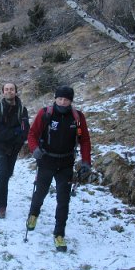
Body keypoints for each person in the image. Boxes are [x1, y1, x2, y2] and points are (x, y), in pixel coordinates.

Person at [26, 86, 92, 252]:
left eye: (66, 99)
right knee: (40, 191)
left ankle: (59, 234)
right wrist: (35, 149)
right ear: (55, 98)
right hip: (46, 160)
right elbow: (32, 134)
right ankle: (33, 214)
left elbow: (85, 140)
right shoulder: (46, 113)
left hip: (66, 163)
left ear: (71, 100)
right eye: (60, 99)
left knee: (63, 200)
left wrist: (86, 161)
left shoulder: (77, 117)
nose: (63, 102)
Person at [0, 83, 29, 219]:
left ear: (16, 92)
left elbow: (25, 132)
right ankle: (2, 207)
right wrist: (14, 133)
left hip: (14, 148)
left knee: (7, 174)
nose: (9, 91)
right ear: (3, 92)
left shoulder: (22, 110)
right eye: (6, 89)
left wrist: (7, 133)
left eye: (12, 89)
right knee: (4, 174)